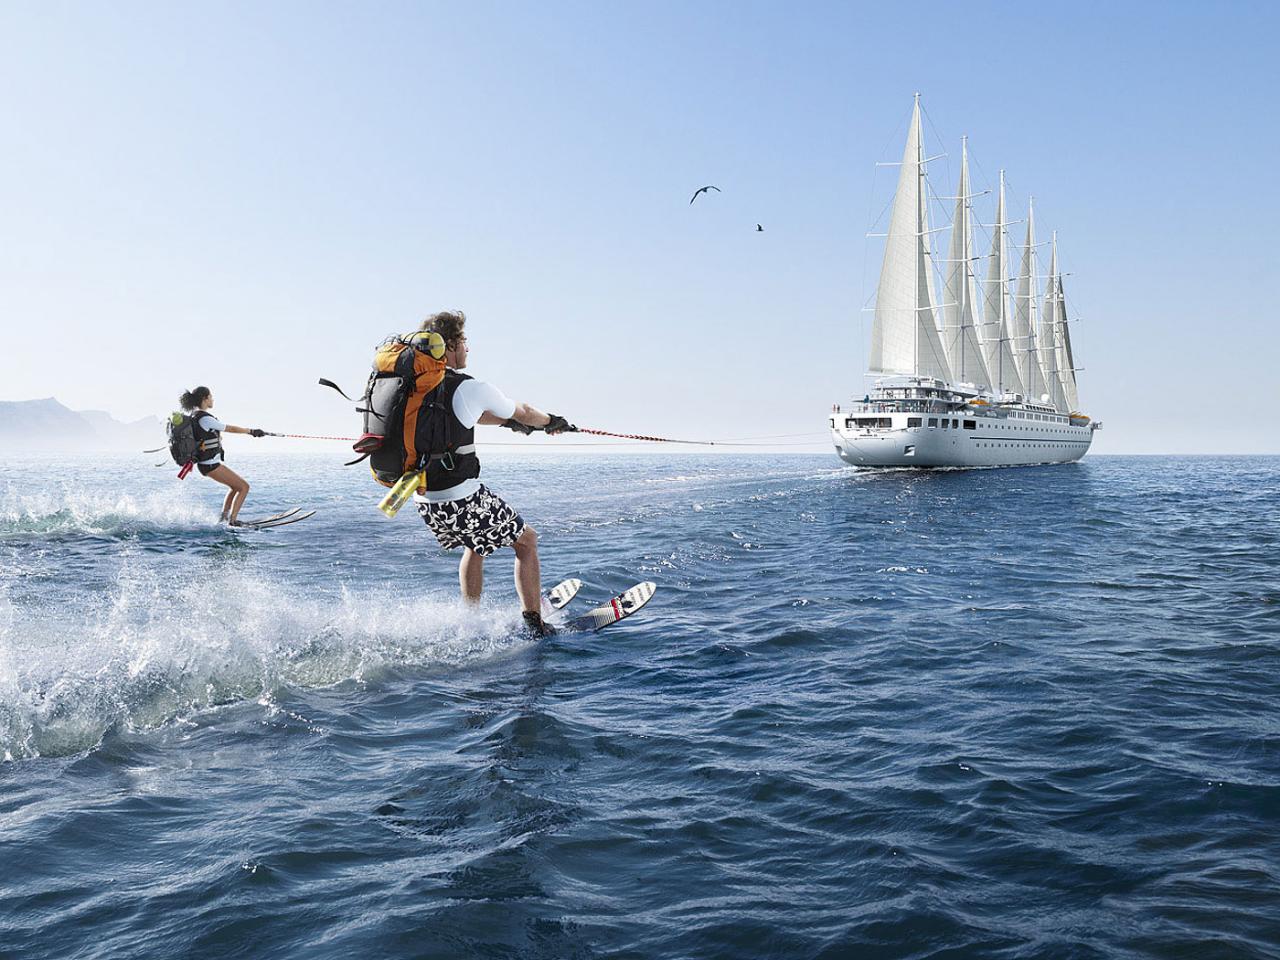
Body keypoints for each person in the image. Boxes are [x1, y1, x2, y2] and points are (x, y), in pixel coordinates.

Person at [411, 311, 574, 637]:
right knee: (527, 541)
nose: (468, 349)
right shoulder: (467, 386)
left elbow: (469, 417)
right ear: (452, 345)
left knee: (476, 544)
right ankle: (535, 625)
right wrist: (551, 421)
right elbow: (525, 410)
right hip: (460, 499)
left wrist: (513, 425)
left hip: (425, 498)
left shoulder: (419, 388)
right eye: (465, 342)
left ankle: (469, 620)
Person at [178, 386, 268, 525]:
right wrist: (251, 431)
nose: (213, 399)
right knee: (244, 487)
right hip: (210, 465)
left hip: (207, 464)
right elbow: (229, 428)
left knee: (235, 488)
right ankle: (232, 521)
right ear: (205, 399)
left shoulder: (196, 416)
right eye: (211, 396)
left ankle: (224, 518)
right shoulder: (204, 418)